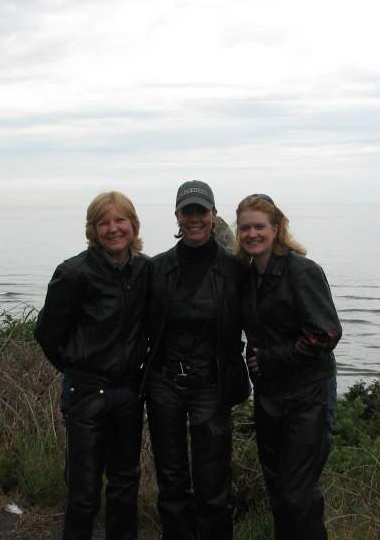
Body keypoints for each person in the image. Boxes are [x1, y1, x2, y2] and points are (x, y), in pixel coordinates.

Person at [34, 192, 149, 540]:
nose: (113, 229)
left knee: (125, 485)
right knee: (84, 493)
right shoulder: (74, 273)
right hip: (86, 394)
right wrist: (77, 367)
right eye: (103, 222)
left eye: (120, 220)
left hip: (128, 392)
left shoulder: (145, 269)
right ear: (93, 229)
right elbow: (46, 333)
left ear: (133, 224)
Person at [141, 180, 249, 540]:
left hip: (212, 385)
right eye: (187, 211)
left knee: (213, 481)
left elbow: (263, 318)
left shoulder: (235, 271)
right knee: (171, 480)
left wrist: (275, 359)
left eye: (201, 211)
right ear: (177, 215)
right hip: (163, 384)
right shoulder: (155, 270)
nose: (194, 219)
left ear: (213, 215)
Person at [234, 193, 342, 540]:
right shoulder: (249, 275)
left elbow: (325, 333)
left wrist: (270, 359)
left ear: (276, 228)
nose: (252, 233)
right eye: (245, 227)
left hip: (308, 394)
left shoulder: (302, 271)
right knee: (280, 492)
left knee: (297, 494)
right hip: (270, 396)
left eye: (259, 226)